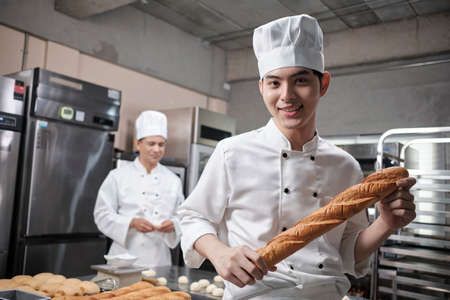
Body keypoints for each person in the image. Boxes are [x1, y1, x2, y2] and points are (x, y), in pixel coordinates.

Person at [178, 14, 416, 299]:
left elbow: (348, 250)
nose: (287, 95)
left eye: (300, 80)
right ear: (262, 87)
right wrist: (219, 253)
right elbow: (192, 217)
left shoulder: (345, 166)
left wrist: (386, 222)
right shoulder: (232, 152)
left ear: (323, 84)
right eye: (274, 83)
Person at [94, 110, 184, 267]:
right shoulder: (118, 176)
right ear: (138, 143)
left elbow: (183, 216)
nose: (157, 149)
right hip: (123, 259)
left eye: (161, 144)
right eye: (151, 144)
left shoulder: (173, 180)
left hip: (159, 261)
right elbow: (101, 214)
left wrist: (174, 224)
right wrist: (131, 222)